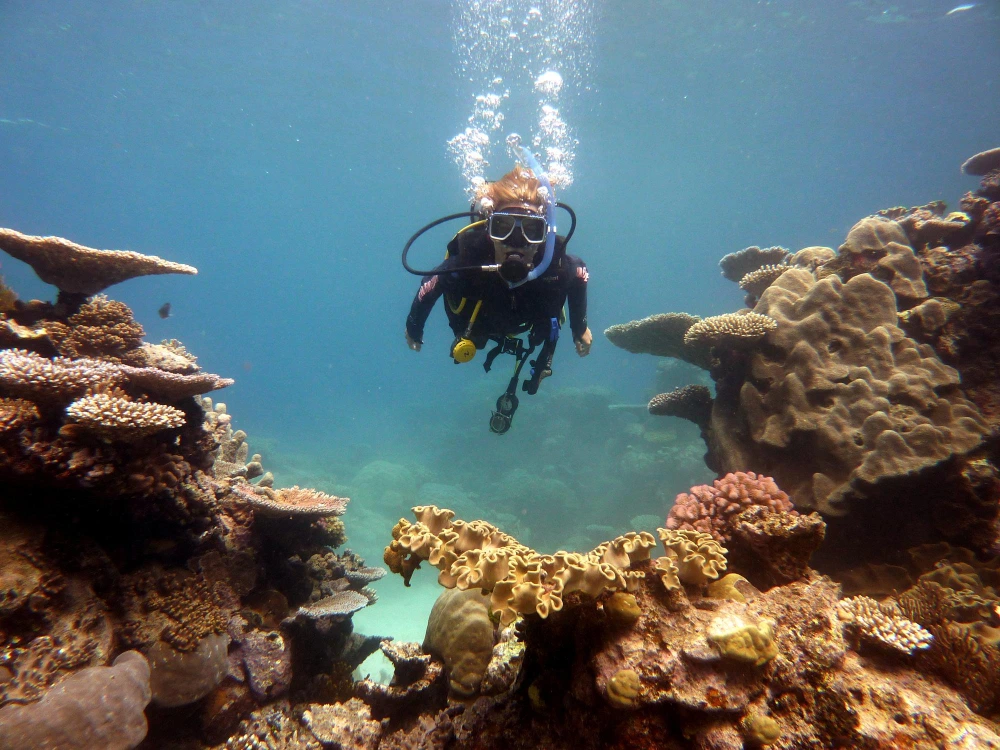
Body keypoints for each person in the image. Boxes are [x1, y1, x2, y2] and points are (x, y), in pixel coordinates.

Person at [404, 166, 592, 432]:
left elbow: (580, 273)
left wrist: (579, 327)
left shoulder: (556, 265)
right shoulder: (469, 261)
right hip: (479, 322)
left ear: (545, 234)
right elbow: (432, 281)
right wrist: (414, 326)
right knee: (476, 341)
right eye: (502, 228)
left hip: (529, 321)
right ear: (488, 229)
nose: (516, 243)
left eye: (532, 231)